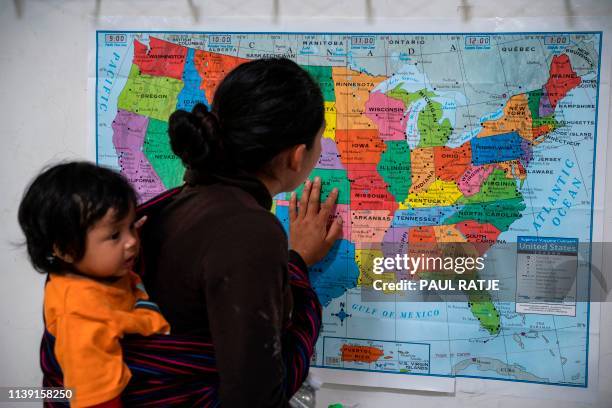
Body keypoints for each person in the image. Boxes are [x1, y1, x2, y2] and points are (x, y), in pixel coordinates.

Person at [139, 57, 343, 407]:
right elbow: (258, 396)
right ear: (297, 157)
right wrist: (298, 279)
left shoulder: (177, 203)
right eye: (320, 139)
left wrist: (294, 260)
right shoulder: (249, 230)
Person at [18, 162, 170, 407]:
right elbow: (96, 398)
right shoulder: (83, 318)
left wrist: (117, 234)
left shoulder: (96, 267)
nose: (132, 241)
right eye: (114, 235)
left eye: (131, 225)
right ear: (67, 249)